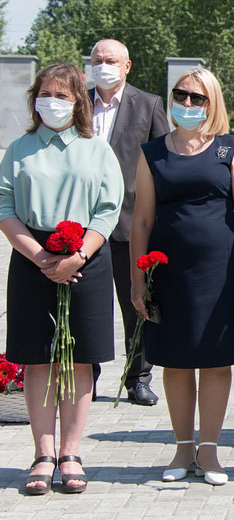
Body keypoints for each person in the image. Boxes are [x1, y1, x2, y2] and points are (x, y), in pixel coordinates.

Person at [129, 67, 234, 486]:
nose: (187, 104)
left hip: (221, 273)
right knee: (176, 361)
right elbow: (142, 220)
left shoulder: (230, 148)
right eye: (181, 95)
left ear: (212, 103)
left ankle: (210, 451)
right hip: (168, 275)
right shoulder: (152, 152)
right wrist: (137, 281)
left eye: (197, 98)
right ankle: (183, 447)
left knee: (216, 361)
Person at [0, 63, 124, 495]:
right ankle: (43, 453)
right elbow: (5, 207)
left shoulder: (97, 149)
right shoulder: (19, 148)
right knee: (38, 357)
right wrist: (38, 256)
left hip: (85, 255)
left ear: (78, 103)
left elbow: (109, 209)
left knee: (78, 357)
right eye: (44, 93)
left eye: (62, 95)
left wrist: (78, 256)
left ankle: (71, 452)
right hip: (31, 254)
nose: (51, 101)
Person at [89, 38, 170, 406]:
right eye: (97, 59)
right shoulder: (77, 103)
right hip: (81, 223)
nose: (103, 65)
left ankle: (138, 377)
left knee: (136, 302)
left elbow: (163, 162)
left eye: (111, 60)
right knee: (86, 304)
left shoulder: (149, 104)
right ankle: (85, 376)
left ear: (127, 66)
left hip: (129, 221)